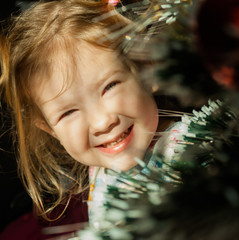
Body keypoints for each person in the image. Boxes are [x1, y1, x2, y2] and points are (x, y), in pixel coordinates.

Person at [0, 0, 183, 235]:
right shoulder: (99, 172)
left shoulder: (187, 149)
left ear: (147, 69)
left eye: (109, 87)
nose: (102, 122)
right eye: (68, 112)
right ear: (50, 130)